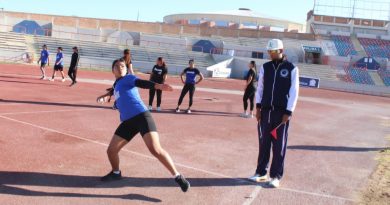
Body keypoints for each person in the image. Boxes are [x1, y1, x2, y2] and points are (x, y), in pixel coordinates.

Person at [97, 58, 190, 192]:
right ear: (113, 70)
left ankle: (178, 176)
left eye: (122, 65)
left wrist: (157, 86)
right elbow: (113, 91)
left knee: (155, 149)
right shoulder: (116, 85)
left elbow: (141, 83)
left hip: (142, 116)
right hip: (127, 122)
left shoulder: (128, 78)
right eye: (116, 66)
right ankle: (116, 173)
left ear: (126, 68)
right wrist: (105, 96)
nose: (120, 67)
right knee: (111, 150)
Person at [248, 39, 299, 188]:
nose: (270, 54)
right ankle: (261, 172)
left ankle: (276, 176)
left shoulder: (291, 68)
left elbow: (294, 92)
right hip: (265, 112)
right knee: (264, 143)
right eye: (269, 51)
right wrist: (258, 108)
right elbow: (261, 88)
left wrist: (288, 112)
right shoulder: (266, 67)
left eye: (273, 51)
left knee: (279, 146)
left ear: (281, 51)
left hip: (281, 114)